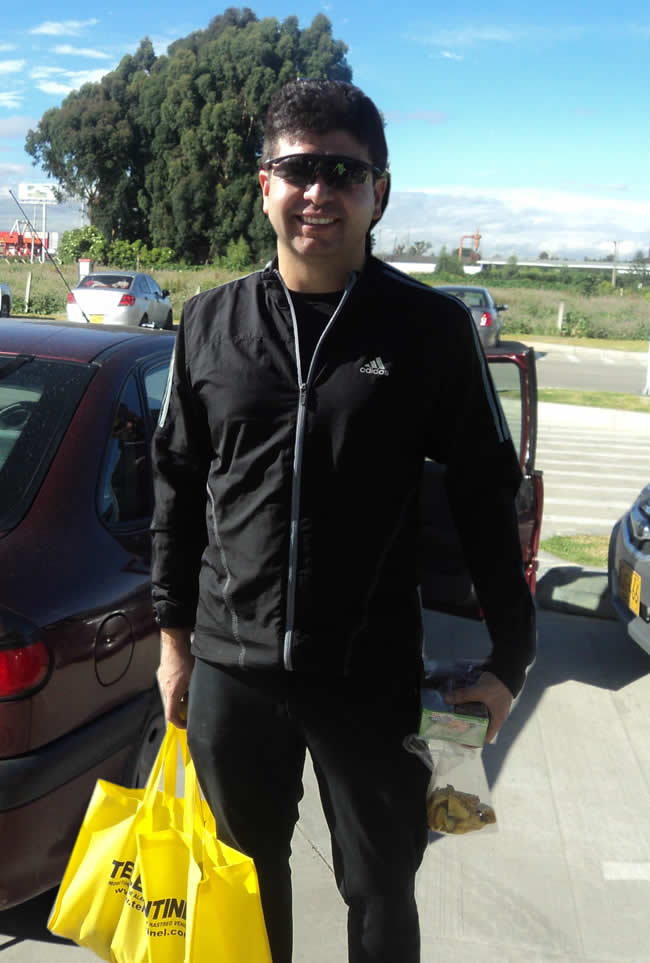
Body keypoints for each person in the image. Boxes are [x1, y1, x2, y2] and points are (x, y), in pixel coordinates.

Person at [150, 78, 535, 963]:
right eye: (298, 170)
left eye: (344, 172)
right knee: (243, 882)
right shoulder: (209, 323)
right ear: (265, 186)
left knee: (381, 884)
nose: (318, 191)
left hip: (370, 672)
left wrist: (510, 658)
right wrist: (173, 642)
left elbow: (486, 495)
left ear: (378, 192)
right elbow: (175, 486)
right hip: (233, 668)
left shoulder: (429, 330)